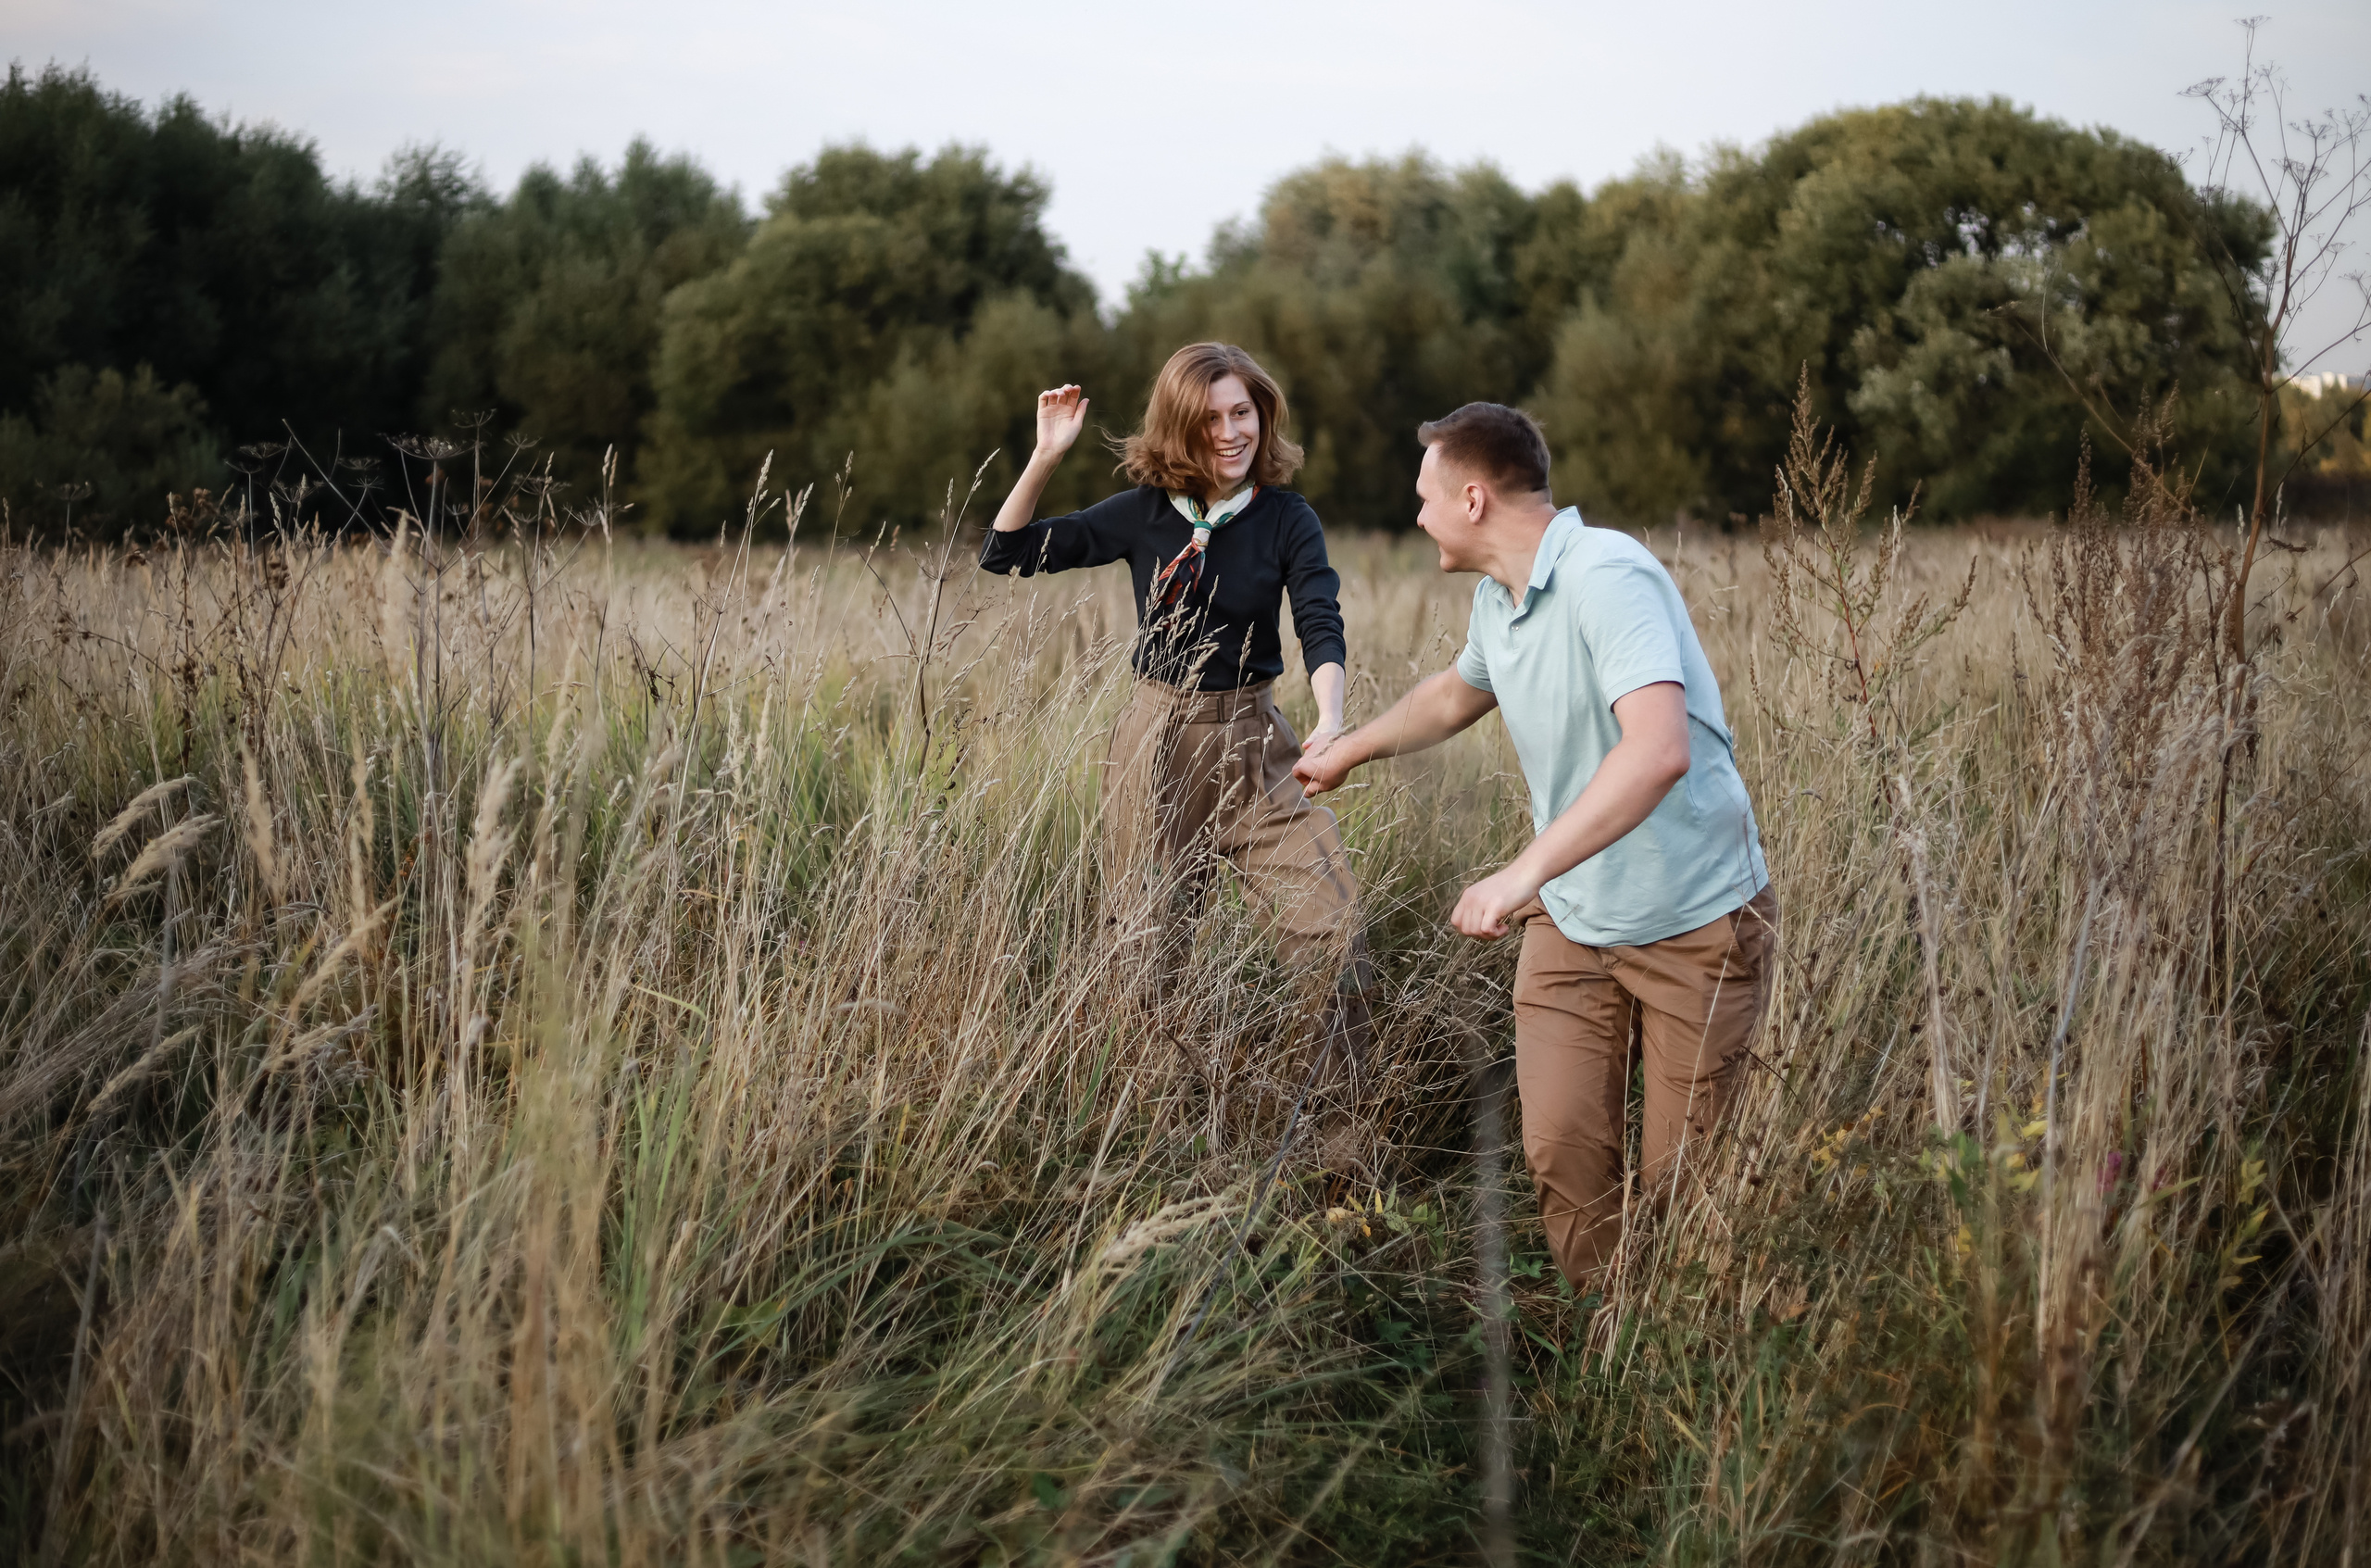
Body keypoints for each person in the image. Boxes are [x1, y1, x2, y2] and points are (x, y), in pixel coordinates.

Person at [1292, 402, 1775, 1292]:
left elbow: (1659, 749)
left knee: (1690, 1189)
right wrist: (1349, 748)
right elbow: (1453, 693)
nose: (1418, 514)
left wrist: (1522, 872)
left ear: (1473, 498)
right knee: (1563, 1154)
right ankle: (1603, 1340)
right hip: (1574, 919)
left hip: (1695, 924)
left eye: (1426, 496)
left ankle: (1674, 1363)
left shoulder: (1607, 575)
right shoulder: (1499, 598)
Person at [979, 342, 1374, 1075]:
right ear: (1178, 429)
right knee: (1148, 946)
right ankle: (1160, 1126)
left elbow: (1320, 619)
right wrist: (1046, 455)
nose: (1229, 433)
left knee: (1334, 926)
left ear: (1263, 416)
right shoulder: (1143, 515)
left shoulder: (1288, 518)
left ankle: (1332, 1133)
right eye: (1208, 419)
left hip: (1258, 743)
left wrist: (1330, 717)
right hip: (1156, 742)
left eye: (1241, 413)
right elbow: (1006, 553)